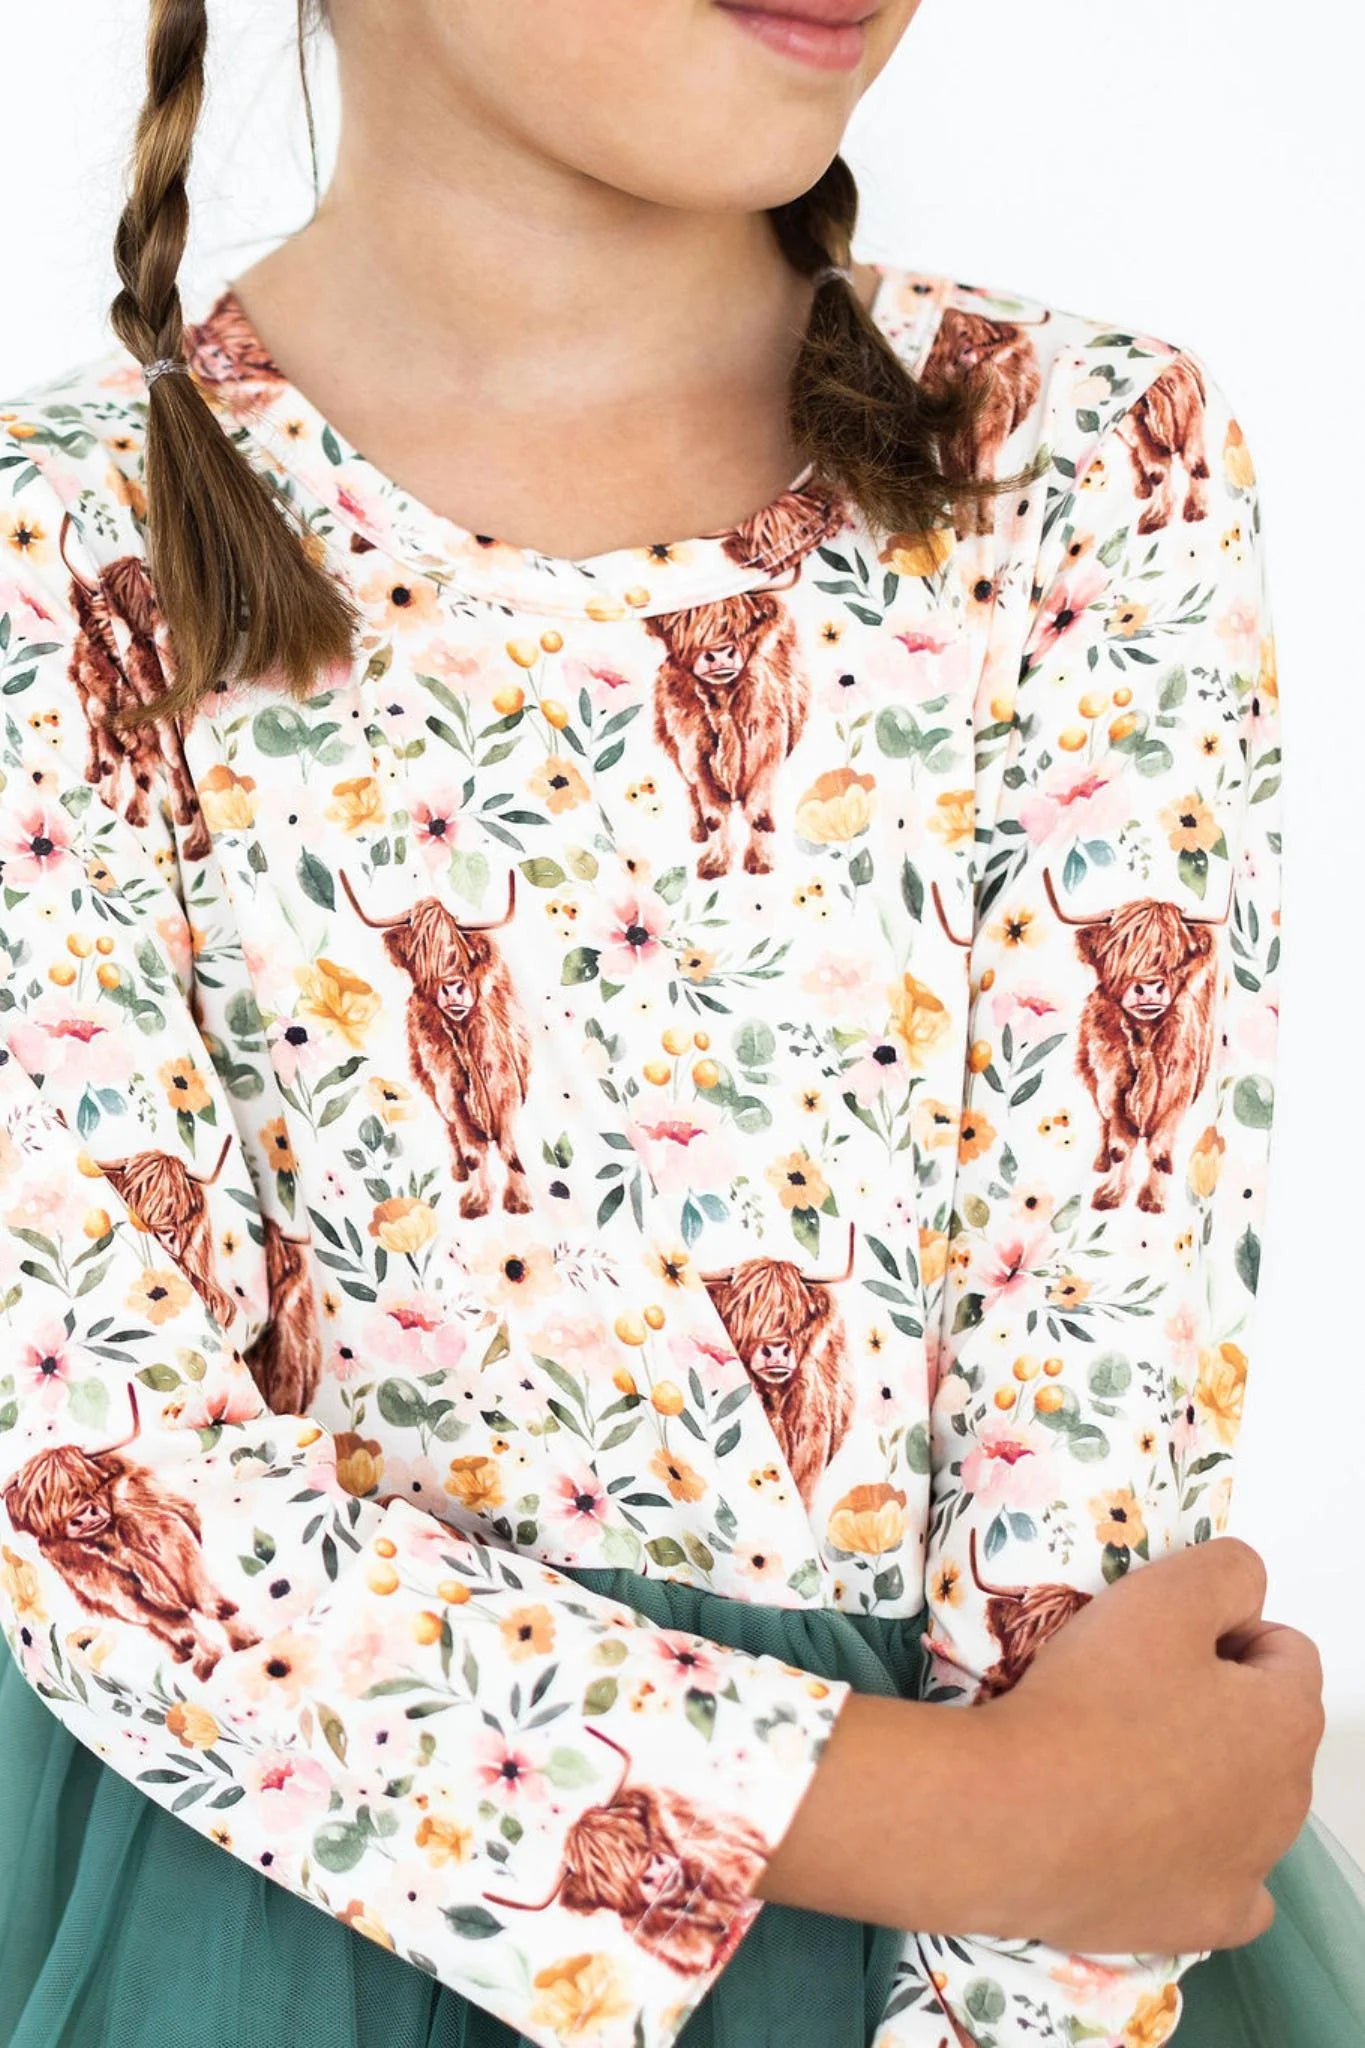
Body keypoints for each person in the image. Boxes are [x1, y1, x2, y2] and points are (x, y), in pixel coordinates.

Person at [1, 1, 1363, 2044]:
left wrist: (1036, 1935)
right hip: (266, 1913)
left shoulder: (1073, 462)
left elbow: (1092, 1468)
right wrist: (996, 1825)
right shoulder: (58, 558)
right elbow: (107, 1500)